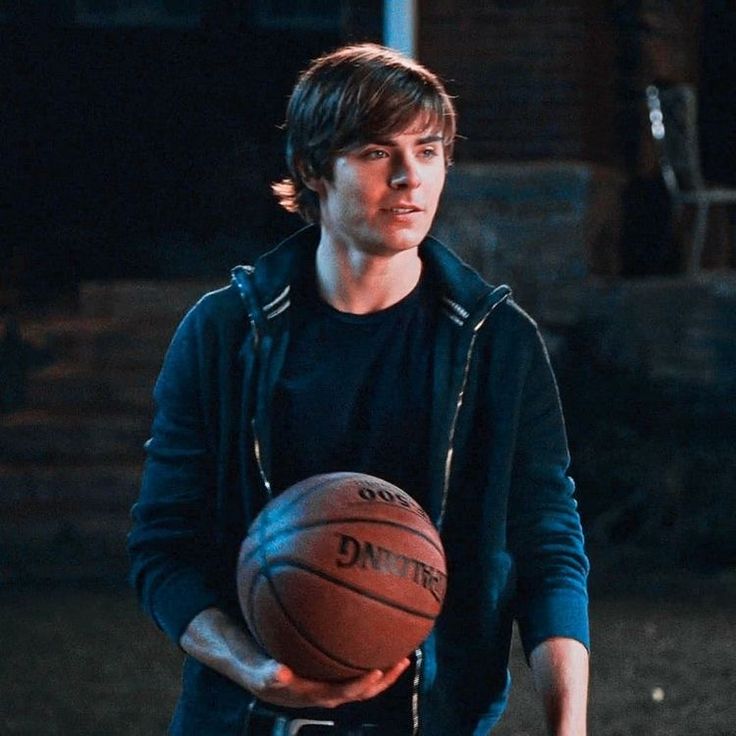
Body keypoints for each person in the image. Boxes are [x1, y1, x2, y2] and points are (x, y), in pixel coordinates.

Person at [128, 43, 590, 735]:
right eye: (377, 152)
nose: (410, 177)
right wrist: (255, 669)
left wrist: (569, 727)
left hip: (430, 720)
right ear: (314, 169)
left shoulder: (498, 343)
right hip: (245, 718)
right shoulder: (225, 333)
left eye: (428, 151)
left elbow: (547, 545)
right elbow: (163, 549)